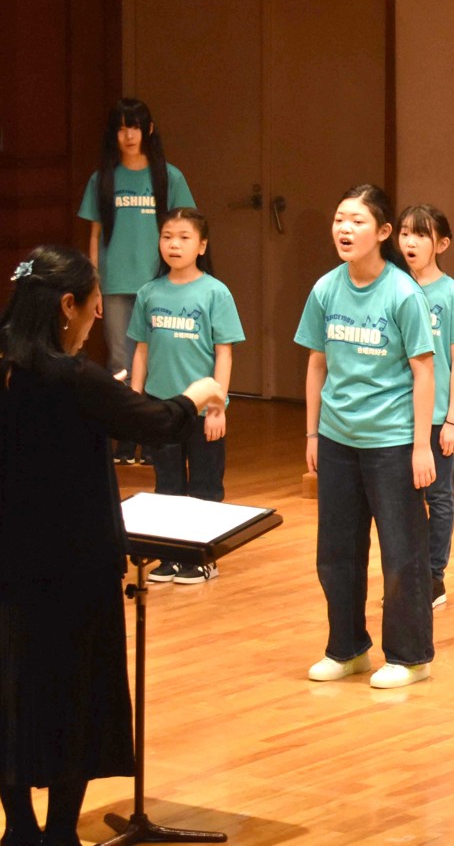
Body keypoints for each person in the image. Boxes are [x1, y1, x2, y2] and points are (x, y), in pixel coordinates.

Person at [0, 244, 224, 846]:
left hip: (9, 565)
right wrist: (198, 394)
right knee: (72, 696)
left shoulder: (12, 365)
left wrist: (105, 394)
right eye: (94, 306)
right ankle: (58, 834)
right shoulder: (74, 378)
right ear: (66, 306)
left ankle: (18, 829)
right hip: (72, 567)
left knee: (12, 695)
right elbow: (157, 423)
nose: (97, 318)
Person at [296, 184, 437, 690]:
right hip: (337, 439)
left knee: (401, 555)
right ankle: (347, 648)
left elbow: (424, 371)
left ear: (382, 232)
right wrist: (313, 432)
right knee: (335, 553)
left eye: (357, 221)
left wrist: (421, 446)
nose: (344, 228)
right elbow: (317, 363)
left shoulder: (403, 293)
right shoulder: (325, 289)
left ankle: (411, 657)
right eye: (340, 218)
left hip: (391, 442)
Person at [77, 98, 196, 465]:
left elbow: (186, 227)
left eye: (134, 127)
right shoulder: (103, 178)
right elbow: (95, 235)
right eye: (120, 128)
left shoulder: (169, 177)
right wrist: (94, 284)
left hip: (159, 283)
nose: (128, 135)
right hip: (115, 284)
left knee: (158, 359)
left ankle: (157, 440)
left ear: (149, 130)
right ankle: (127, 439)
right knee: (121, 361)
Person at [129, 208, 244, 584]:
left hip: (202, 410)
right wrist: (136, 402)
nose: (174, 244)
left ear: (202, 245)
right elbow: (142, 350)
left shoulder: (215, 292)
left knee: (205, 485)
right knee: (167, 484)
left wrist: (217, 406)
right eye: (167, 237)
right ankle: (172, 555)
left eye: (184, 237)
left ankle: (204, 557)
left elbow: (224, 353)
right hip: (162, 407)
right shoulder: (149, 292)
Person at [397, 204, 454, 608]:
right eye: (405, 233)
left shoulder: (452, 294)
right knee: (401, 501)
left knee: (439, 497)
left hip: (436, 416)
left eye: (421, 234)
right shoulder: (393, 286)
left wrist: (453, 419)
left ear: (441, 244)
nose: (410, 242)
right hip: (397, 415)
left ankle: (433, 577)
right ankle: (405, 577)